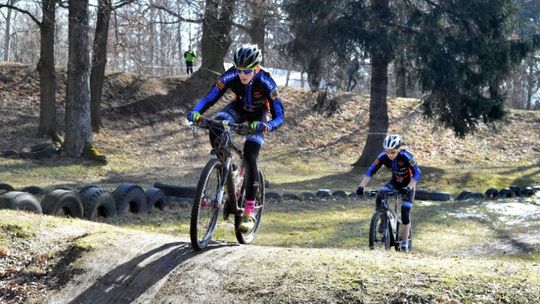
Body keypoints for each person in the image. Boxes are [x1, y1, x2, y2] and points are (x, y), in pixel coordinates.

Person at [186, 44, 285, 232]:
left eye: (247, 70)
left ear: (256, 67)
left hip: (259, 117)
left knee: (249, 156)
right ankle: (227, 167)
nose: (242, 74)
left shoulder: (266, 81)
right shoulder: (230, 75)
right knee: (217, 124)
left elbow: (280, 115)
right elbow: (210, 97)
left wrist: (267, 126)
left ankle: (249, 211)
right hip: (238, 109)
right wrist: (196, 112)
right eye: (239, 70)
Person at [355, 134, 421, 252]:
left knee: (405, 211)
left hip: (409, 184)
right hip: (395, 182)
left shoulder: (406, 156)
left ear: (399, 149)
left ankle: (405, 242)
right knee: (381, 195)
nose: (390, 155)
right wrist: (361, 186)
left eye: (393, 152)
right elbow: (370, 171)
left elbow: (417, 173)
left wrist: (409, 187)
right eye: (387, 152)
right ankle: (381, 218)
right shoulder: (382, 157)